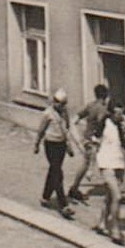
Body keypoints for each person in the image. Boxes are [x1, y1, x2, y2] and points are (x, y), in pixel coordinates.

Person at [32, 89, 77, 219]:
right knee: (58, 172)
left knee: (54, 170)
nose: (62, 106)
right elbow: (41, 130)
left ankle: (45, 197)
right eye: (60, 103)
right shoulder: (47, 114)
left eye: (64, 104)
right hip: (50, 144)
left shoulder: (64, 113)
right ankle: (63, 205)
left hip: (61, 145)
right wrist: (36, 144)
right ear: (54, 102)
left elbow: (66, 129)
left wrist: (69, 146)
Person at [93, 101, 125, 245]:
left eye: (122, 114)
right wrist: (91, 169)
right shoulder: (104, 124)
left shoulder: (122, 126)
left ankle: (101, 223)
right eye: (117, 114)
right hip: (105, 162)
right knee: (117, 195)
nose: (120, 116)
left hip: (119, 163)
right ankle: (115, 229)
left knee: (109, 196)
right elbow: (94, 143)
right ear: (111, 113)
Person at [67, 84, 111, 204]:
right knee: (93, 164)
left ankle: (75, 188)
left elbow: (75, 119)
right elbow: (101, 125)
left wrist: (78, 137)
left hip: (87, 138)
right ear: (106, 95)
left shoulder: (91, 105)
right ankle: (75, 188)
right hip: (95, 140)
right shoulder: (102, 109)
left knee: (87, 163)